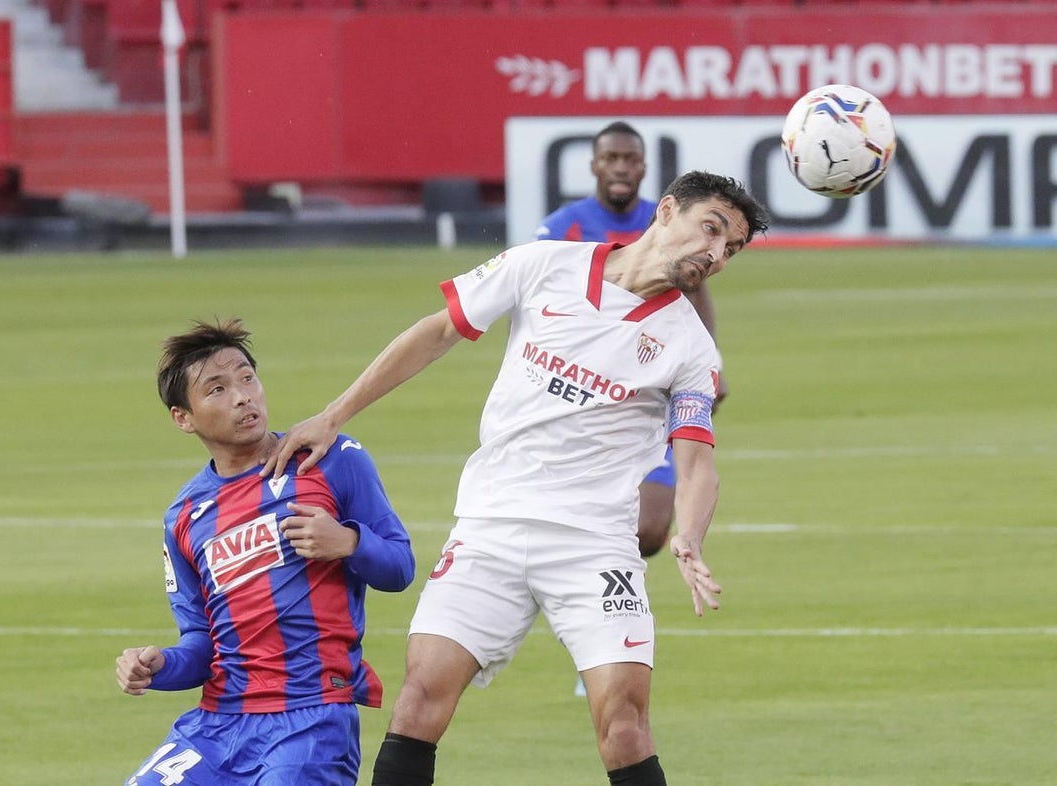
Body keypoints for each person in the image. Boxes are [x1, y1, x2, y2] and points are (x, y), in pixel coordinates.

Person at [262, 171, 770, 786]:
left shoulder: (691, 348)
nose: (716, 254)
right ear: (666, 211)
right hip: (490, 527)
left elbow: (695, 460)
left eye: (731, 249)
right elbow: (438, 332)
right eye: (711, 230)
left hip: (594, 546)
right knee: (418, 701)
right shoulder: (543, 265)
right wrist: (333, 414)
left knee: (624, 726)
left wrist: (689, 533)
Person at [115, 318, 416, 786]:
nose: (242, 396)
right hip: (217, 725)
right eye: (216, 389)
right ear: (183, 417)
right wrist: (159, 666)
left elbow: (401, 566)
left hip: (310, 718)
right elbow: (201, 645)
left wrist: (348, 543)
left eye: (247, 378)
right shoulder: (184, 515)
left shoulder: (331, 460)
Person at [534, 120, 727, 559]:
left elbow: (697, 294)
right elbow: (532, 309)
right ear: (594, 166)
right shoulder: (560, 229)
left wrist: (712, 365)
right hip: (576, 391)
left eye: (630, 159)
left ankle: (587, 574)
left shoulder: (667, 225)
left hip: (653, 386)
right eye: (611, 158)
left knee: (652, 528)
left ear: (644, 168)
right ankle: (589, 589)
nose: (621, 168)